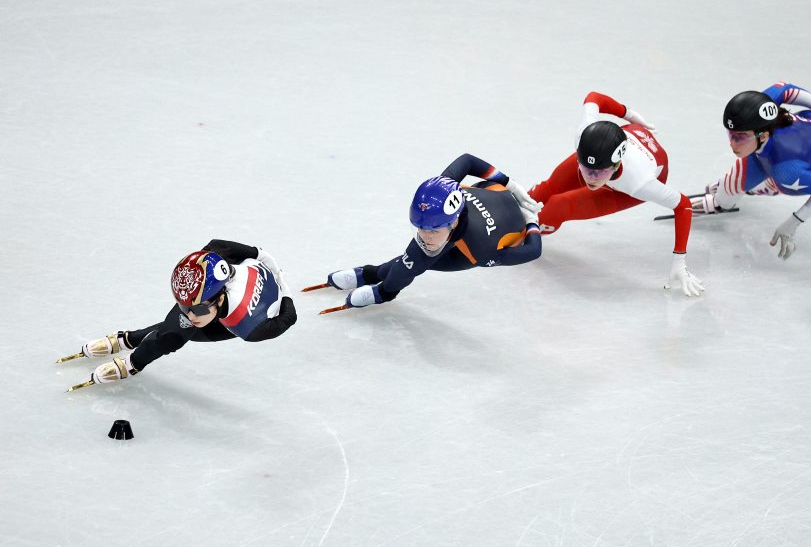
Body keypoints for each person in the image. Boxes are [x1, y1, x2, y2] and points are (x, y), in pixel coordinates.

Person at [528, 91, 704, 297]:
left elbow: (683, 205)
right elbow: (593, 97)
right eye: (585, 168)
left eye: (599, 172)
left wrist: (679, 260)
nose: (590, 178)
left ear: (616, 164)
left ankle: (525, 232)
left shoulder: (639, 182)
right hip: (627, 137)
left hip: (634, 181)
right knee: (545, 189)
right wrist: (628, 114)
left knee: (559, 206)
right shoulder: (584, 136)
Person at [58, 240, 296, 389]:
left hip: (247, 314)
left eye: (198, 308)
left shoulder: (248, 326)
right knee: (174, 333)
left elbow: (289, 318)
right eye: (184, 305)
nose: (191, 314)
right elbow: (250, 251)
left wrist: (284, 288)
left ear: (221, 298)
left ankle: (132, 361)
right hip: (232, 295)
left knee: (179, 333)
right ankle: (129, 341)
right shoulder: (214, 254)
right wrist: (267, 260)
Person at [322, 154, 543, 309]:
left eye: (433, 230)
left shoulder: (483, 251)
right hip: (491, 194)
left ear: (453, 223)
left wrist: (531, 221)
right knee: (413, 260)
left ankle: (383, 292)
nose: (425, 236)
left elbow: (533, 251)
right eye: (420, 227)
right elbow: (467, 160)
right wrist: (510, 184)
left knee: (417, 261)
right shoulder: (443, 188)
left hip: (509, 227)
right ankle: (372, 274)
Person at [691, 81, 811, 260]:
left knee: (782, 182)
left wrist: (792, 223)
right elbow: (784, 88)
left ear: (764, 135)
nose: (732, 144)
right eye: (731, 134)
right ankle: (749, 188)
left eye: (740, 137)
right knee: (725, 198)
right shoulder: (761, 106)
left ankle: (765, 187)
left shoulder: (785, 170)